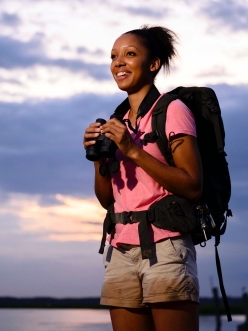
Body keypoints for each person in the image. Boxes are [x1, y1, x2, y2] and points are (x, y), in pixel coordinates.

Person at [83, 26, 202, 331]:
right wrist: (99, 158)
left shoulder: (172, 110)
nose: (118, 63)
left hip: (166, 245)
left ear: (153, 64)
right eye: (113, 56)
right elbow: (106, 199)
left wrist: (132, 150)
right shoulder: (117, 122)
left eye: (130, 54)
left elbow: (193, 185)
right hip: (120, 247)